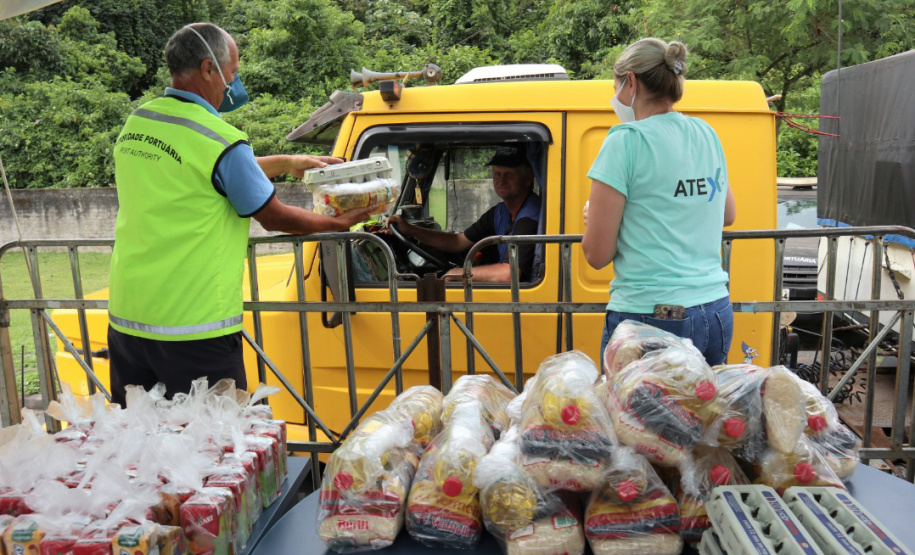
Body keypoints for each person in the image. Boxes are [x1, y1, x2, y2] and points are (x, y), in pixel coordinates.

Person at [106, 23, 375, 405]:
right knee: (216, 438)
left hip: (128, 324)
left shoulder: (139, 123)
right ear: (208, 69)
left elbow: (206, 172)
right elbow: (274, 216)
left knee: (142, 436)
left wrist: (287, 162)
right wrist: (337, 223)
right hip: (193, 328)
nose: (234, 81)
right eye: (232, 72)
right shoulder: (220, 139)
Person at [581, 38, 737, 367]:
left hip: (652, 318)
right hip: (715, 310)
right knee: (703, 402)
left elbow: (597, 255)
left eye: (615, 86)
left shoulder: (626, 141)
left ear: (631, 82)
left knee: (634, 405)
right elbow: (727, 213)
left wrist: (598, 218)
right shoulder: (705, 132)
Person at [385, 146, 542, 282]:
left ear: (528, 178)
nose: (501, 180)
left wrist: (460, 273)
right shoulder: (501, 212)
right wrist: (410, 229)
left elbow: (508, 274)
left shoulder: (530, 218)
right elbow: (458, 241)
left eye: (509, 175)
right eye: (497, 174)